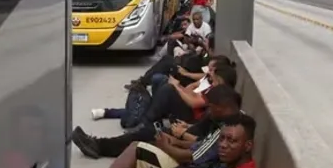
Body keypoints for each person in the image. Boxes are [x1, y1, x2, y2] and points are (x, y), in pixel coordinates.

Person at [82, 86, 242, 168]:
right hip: (191, 162)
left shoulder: (227, 128)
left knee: (136, 147)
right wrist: (175, 142)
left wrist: (165, 145)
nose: (209, 110)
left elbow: (188, 156)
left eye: (211, 107)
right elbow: (201, 145)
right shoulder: (231, 120)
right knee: (148, 136)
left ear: (223, 107)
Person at [97, 55, 234, 121]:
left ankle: (145, 119)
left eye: (211, 71)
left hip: (188, 113)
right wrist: (181, 87)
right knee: (159, 79)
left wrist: (177, 86)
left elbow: (193, 102)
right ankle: (108, 112)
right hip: (185, 97)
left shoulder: (216, 92)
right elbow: (192, 87)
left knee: (167, 88)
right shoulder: (208, 79)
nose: (207, 72)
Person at [154, 113, 258, 168]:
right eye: (221, 139)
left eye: (231, 140)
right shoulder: (227, 164)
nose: (222, 145)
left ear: (248, 146)